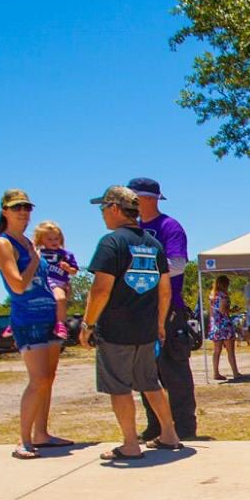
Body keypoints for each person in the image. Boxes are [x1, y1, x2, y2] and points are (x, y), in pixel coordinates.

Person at [82, 185, 178, 460]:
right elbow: (165, 290)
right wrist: (159, 324)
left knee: (119, 387)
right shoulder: (153, 244)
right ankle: (169, 434)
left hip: (115, 331)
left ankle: (130, 444)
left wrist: (88, 324)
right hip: (146, 328)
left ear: (114, 208)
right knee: (150, 382)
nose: (102, 214)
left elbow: (100, 289)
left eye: (103, 208)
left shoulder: (111, 243)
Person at [0, 189, 62, 460]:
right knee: (38, 379)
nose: (23, 212)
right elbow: (17, 285)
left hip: (48, 316)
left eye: (27, 207)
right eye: (17, 207)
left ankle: (41, 433)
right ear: (5, 211)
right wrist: (33, 261)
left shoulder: (30, 242)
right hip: (27, 319)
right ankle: (24, 439)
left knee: (48, 379)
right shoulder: (4, 243)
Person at [128, 177, 196, 442]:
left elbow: (178, 264)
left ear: (147, 198)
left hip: (168, 310)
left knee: (174, 370)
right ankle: (156, 425)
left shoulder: (169, 226)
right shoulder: (132, 230)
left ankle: (184, 428)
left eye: (133, 198)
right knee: (147, 372)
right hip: (140, 311)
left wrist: (142, 268)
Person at [33, 219, 79, 344]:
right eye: (49, 239)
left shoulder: (66, 255)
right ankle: (15, 324)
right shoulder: (38, 253)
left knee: (60, 298)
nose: (54, 242)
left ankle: (60, 324)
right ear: (41, 239)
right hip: (42, 281)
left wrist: (68, 268)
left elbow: (75, 271)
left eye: (56, 239)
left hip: (58, 281)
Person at [207, 275, 237, 381]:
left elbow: (211, 312)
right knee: (230, 350)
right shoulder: (223, 296)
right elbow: (223, 310)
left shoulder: (212, 296)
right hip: (225, 324)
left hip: (216, 325)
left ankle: (216, 372)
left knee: (217, 350)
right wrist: (232, 310)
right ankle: (235, 372)